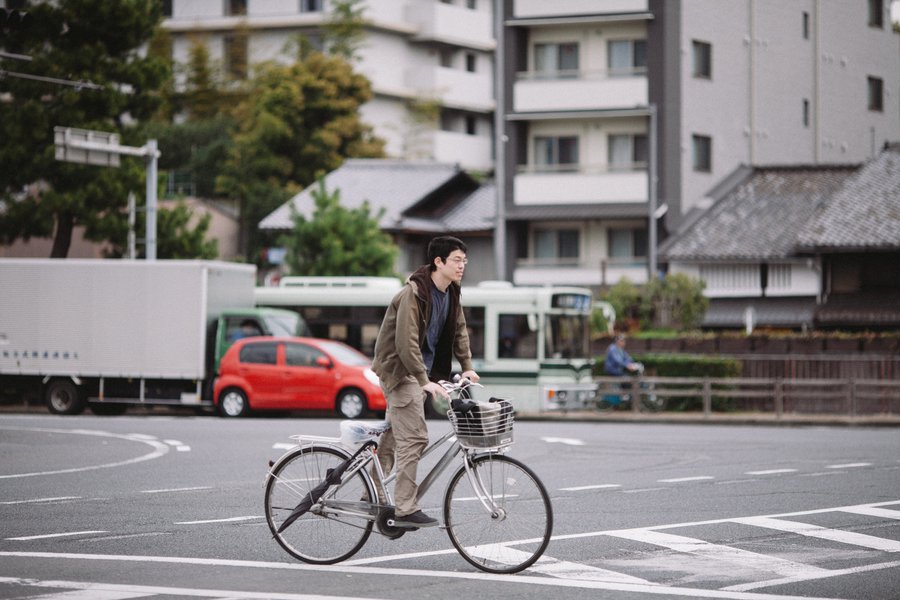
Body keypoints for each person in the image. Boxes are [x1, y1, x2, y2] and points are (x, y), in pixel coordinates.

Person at [371, 236, 480, 528]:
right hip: (401, 371)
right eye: (457, 260)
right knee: (415, 438)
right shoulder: (415, 293)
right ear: (438, 262)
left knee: (394, 436)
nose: (462, 266)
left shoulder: (451, 292)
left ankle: (371, 492)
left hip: (422, 371)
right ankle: (405, 509)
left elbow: (459, 330)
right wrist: (424, 380)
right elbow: (406, 343)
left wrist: (467, 367)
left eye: (464, 261)